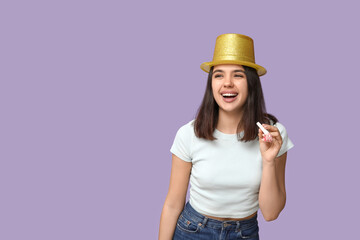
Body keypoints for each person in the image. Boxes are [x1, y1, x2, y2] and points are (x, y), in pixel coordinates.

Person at [158, 33, 295, 240]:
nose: (227, 83)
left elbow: (271, 213)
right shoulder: (188, 133)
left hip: (244, 233)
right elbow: (172, 203)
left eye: (238, 75)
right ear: (211, 84)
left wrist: (268, 161)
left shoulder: (273, 134)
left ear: (251, 83)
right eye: (219, 75)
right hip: (193, 231)